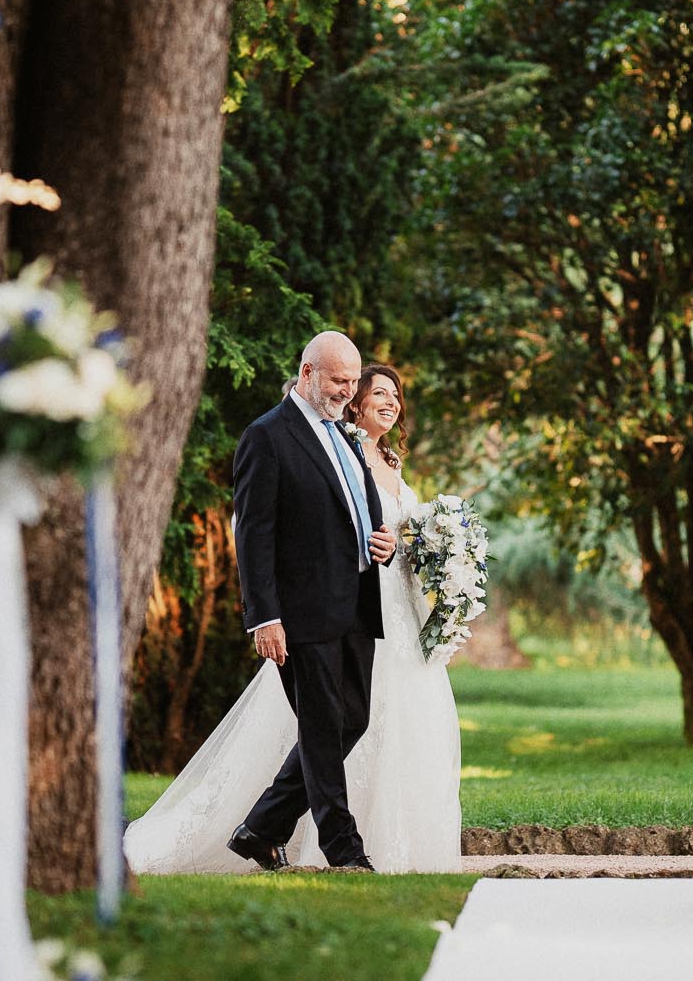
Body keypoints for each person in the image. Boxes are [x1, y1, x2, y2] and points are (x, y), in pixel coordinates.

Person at [125, 353, 464, 873]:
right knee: (324, 727)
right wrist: (264, 617)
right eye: (339, 380)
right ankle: (345, 849)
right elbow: (252, 531)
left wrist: (383, 543)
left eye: (352, 382)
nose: (347, 391)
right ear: (308, 373)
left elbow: (355, 511)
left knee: (351, 720)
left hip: (358, 608)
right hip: (304, 610)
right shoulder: (268, 435)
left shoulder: (346, 436)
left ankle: (262, 828)